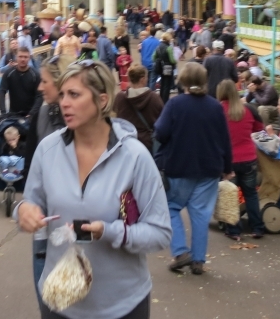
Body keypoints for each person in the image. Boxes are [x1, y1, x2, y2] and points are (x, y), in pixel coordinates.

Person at [18, 60, 171, 319]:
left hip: (123, 306)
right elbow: (30, 202)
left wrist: (109, 232)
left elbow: (160, 233)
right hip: (60, 301)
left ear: (102, 100)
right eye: (63, 94)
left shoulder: (134, 156)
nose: (64, 103)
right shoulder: (47, 149)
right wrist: (23, 211)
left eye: (74, 94)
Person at [154, 62, 233, 275]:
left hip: (178, 165)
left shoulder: (175, 104)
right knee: (201, 215)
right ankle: (198, 260)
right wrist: (227, 167)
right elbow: (225, 139)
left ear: (183, 81)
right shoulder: (215, 106)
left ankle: (180, 252)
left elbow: (161, 132)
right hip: (209, 168)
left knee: (170, 207)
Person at [20, 56, 66, 291]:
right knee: (44, 288)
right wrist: (27, 204)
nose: (40, 87)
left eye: (44, 81)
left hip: (73, 221)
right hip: (44, 219)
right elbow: (31, 166)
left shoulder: (82, 121)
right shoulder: (42, 114)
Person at [215, 81, 265, 241]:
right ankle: (257, 228)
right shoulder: (249, 109)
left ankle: (234, 230)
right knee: (251, 194)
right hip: (249, 158)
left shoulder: (217, 110)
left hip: (228, 161)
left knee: (231, 195)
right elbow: (259, 128)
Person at [113, 65, 164, 153]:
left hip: (125, 144)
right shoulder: (154, 98)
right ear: (142, 79)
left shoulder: (120, 97)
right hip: (147, 145)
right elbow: (162, 121)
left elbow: (115, 118)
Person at [0, 47, 40, 117]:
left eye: (25, 57)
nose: (23, 59)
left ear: (29, 58)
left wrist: (32, 113)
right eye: (20, 56)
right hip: (13, 114)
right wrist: (3, 112)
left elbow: (39, 96)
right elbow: (2, 91)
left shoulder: (35, 75)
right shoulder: (9, 73)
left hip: (31, 115)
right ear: (16, 57)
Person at [151, 35, 176, 102]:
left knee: (162, 84)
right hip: (168, 68)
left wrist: (159, 60)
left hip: (160, 67)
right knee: (166, 85)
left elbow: (153, 57)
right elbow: (172, 60)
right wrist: (175, 61)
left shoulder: (158, 47)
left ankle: (161, 98)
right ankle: (165, 100)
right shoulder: (169, 48)